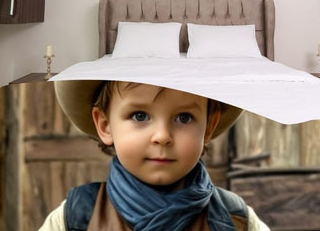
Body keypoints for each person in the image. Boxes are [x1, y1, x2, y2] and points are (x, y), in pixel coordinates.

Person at [40, 79, 270, 231]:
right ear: (105, 125)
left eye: (184, 118)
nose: (162, 136)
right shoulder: (75, 217)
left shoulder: (236, 220)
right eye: (140, 116)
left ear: (209, 126)